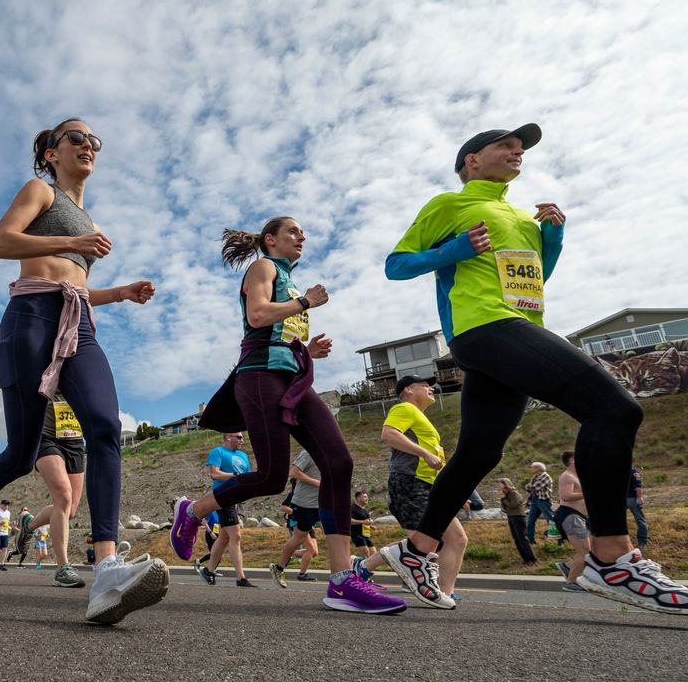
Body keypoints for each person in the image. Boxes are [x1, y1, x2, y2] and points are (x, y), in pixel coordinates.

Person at [381, 123, 688, 614]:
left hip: (517, 320)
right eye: (506, 145)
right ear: (471, 161)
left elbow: (535, 281)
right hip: (483, 327)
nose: (517, 151)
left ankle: (415, 551)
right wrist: (452, 251)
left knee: (479, 453)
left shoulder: (520, 215)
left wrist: (553, 239)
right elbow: (396, 265)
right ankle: (612, 559)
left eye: (521, 148)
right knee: (615, 409)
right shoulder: (450, 205)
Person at [0, 117, 168, 625]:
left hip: (78, 323)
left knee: (106, 427)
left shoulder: (91, 223)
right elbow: (2, 243)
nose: (88, 146)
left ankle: (106, 569)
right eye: (76, 138)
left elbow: (76, 283)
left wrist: (118, 292)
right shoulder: (42, 190)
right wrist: (70, 246)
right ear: (51, 152)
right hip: (31, 318)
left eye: (94, 142)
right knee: (20, 453)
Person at [172, 217, 404, 614]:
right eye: (293, 232)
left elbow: (277, 334)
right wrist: (306, 302)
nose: (302, 237)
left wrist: (305, 351)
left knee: (339, 463)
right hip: (258, 377)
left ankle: (341, 581)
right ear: (271, 239)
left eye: (302, 233)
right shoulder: (263, 268)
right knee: (271, 477)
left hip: (290, 377)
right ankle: (192, 511)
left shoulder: (291, 281)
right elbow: (259, 316)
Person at [357, 376, 467, 606]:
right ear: (408, 389)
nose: (431, 388)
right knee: (426, 543)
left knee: (457, 539)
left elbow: (438, 460)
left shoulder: (423, 419)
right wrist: (424, 453)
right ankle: (364, 566)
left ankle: (445, 593)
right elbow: (388, 435)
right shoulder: (404, 407)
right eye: (424, 385)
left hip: (430, 486)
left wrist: (454, 493)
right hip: (409, 483)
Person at [23, 396, 88, 587]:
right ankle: (63, 568)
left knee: (70, 510)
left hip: (75, 440)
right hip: (45, 436)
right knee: (63, 495)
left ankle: (29, 524)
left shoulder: (85, 370)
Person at [193, 433, 255, 588]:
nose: (242, 440)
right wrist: (233, 476)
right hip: (223, 496)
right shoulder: (218, 452)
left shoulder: (243, 456)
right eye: (239, 437)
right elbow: (214, 474)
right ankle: (241, 578)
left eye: (242, 437)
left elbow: (246, 477)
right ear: (228, 437)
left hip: (236, 500)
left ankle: (209, 571)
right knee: (236, 536)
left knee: (224, 538)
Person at [269, 448, 325, 587]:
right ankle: (279, 567)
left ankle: (345, 572)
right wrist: (318, 483)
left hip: (321, 503)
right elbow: (293, 472)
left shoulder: (329, 452)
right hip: (304, 504)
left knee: (332, 534)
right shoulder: (309, 452)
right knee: (299, 539)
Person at [554, 451, 591, 591]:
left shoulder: (577, 476)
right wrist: (589, 492)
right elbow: (566, 496)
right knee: (585, 552)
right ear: (572, 460)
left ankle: (568, 566)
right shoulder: (567, 476)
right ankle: (570, 583)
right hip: (571, 516)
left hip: (579, 517)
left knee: (588, 551)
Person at [498, 477, 537, 566]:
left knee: (522, 539)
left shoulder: (514, 493)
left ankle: (532, 559)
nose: (498, 485)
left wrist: (503, 498)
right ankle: (525, 559)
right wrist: (502, 499)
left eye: (500, 483)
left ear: (505, 484)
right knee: (516, 539)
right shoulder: (506, 494)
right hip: (511, 517)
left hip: (518, 517)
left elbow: (512, 505)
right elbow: (505, 508)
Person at [524, 462, 555, 544]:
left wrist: (529, 486)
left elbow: (533, 487)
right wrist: (529, 486)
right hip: (535, 500)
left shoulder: (545, 476)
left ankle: (560, 540)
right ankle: (530, 540)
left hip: (543, 500)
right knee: (531, 520)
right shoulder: (535, 477)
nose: (530, 469)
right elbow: (528, 487)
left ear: (537, 468)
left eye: (532, 467)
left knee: (551, 520)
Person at [350, 491, 376, 559]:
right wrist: (363, 522)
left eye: (367, 497)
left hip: (366, 535)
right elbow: (349, 521)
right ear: (358, 498)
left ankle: (363, 566)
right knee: (366, 553)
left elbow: (366, 522)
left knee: (374, 554)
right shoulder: (352, 508)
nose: (367, 499)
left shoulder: (365, 510)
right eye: (364, 497)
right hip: (357, 535)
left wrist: (371, 526)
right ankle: (357, 564)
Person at [626, 466, 648, 548]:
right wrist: (639, 497)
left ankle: (623, 541)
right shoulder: (633, 470)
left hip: (622, 499)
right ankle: (642, 542)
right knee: (640, 520)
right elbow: (638, 485)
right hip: (632, 499)